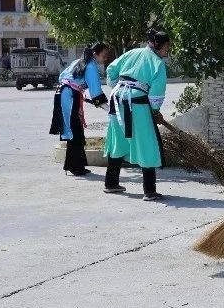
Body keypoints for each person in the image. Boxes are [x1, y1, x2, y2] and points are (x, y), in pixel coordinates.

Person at [103, 29, 170, 201]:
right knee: (147, 142)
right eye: (167, 47)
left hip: (117, 99)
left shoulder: (133, 52)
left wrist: (117, 85)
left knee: (117, 139)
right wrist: (154, 111)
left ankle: (110, 183)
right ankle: (149, 191)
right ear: (159, 46)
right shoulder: (157, 63)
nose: (167, 51)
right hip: (137, 103)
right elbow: (156, 92)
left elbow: (111, 68)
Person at [49, 42, 109, 176]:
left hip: (64, 93)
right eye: (104, 56)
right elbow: (95, 91)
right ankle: (74, 166)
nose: (105, 59)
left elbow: (62, 76)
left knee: (76, 129)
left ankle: (78, 165)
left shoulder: (79, 61)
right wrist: (108, 109)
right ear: (95, 54)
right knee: (74, 129)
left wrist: (78, 89)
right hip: (69, 96)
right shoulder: (91, 66)